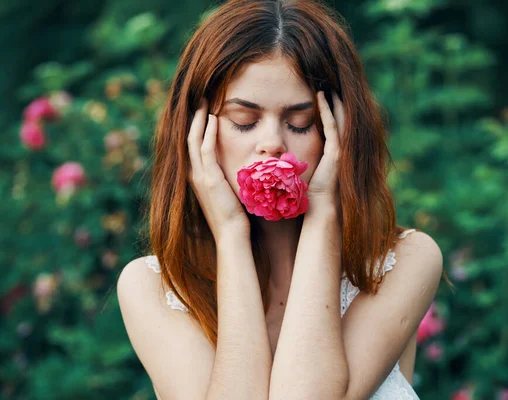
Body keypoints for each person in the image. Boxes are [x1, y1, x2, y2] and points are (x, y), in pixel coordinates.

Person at [116, 0, 449, 399]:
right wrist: (230, 234)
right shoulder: (152, 287)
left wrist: (324, 208)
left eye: (300, 123)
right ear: (197, 132)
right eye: (244, 121)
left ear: (339, 130)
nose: (272, 143)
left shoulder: (403, 263)